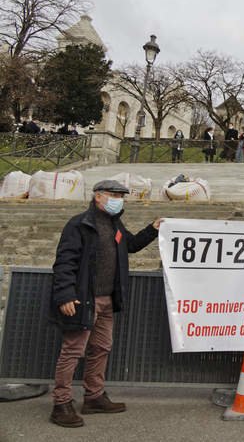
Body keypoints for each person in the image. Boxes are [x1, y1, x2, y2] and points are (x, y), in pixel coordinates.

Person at [49, 180, 163, 428]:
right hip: (83, 299)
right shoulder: (79, 224)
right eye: (113, 195)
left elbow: (131, 245)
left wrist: (153, 229)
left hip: (107, 300)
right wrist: (65, 295)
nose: (118, 200)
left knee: (101, 348)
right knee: (73, 351)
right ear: (98, 197)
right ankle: (61, 403)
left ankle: (94, 397)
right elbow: (65, 262)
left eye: (121, 196)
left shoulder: (115, 225)